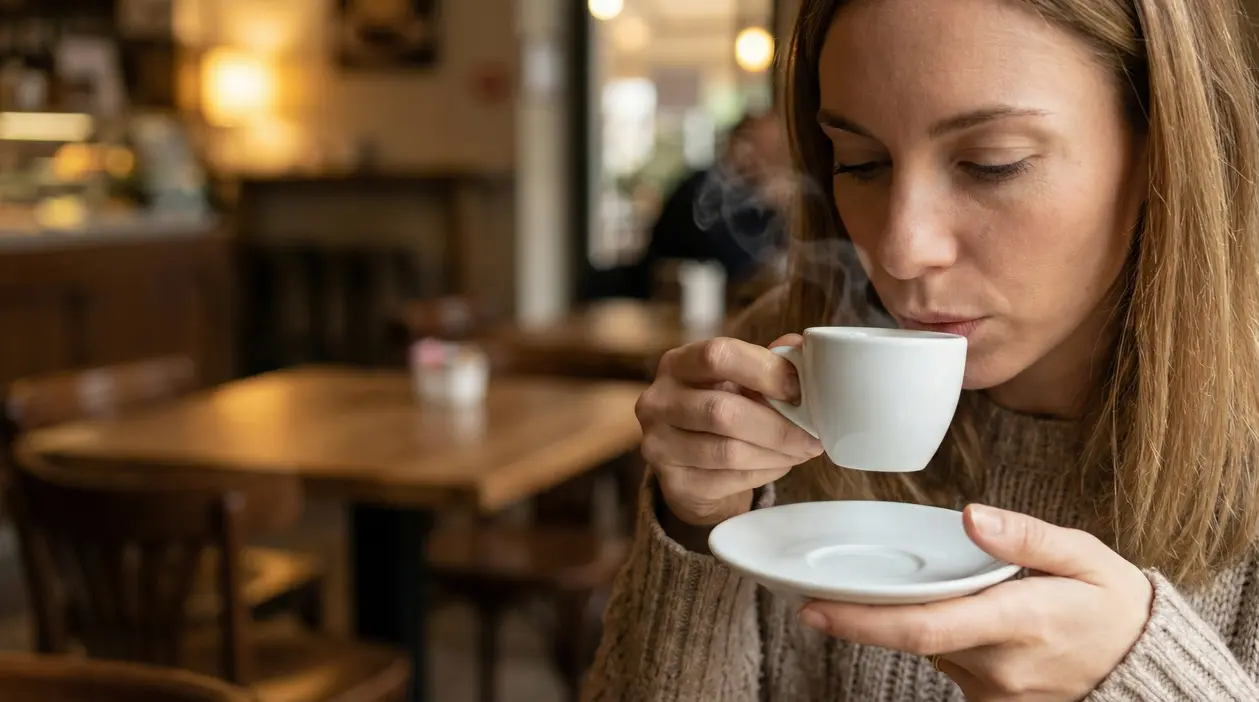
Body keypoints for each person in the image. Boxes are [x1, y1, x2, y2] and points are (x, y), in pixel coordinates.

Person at [583, 0, 1259, 699]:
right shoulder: (787, 366)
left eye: (991, 164)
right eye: (861, 163)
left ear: (1161, 142)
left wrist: (1147, 679)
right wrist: (697, 527)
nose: (902, 250)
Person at [627, 112, 792, 299]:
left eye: (775, 153)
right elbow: (732, 262)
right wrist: (765, 201)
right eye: (763, 149)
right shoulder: (701, 191)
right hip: (666, 308)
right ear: (736, 145)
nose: (771, 163)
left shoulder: (755, 198)